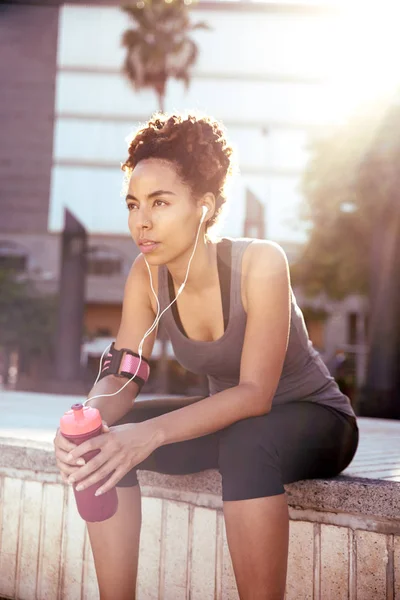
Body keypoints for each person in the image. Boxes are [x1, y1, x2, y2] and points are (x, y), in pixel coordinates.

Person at [53, 112, 359, 600]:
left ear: (204, 205)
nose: (141, 221)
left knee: (245, 442)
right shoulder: (146, 276)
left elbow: (256, 395)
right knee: (104, 444)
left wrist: (148, 434)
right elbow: (124, 373)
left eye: (160, 202)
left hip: (316, 419)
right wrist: (88, 421)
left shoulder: (260, 263)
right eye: (133, 204)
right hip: (233, 425)